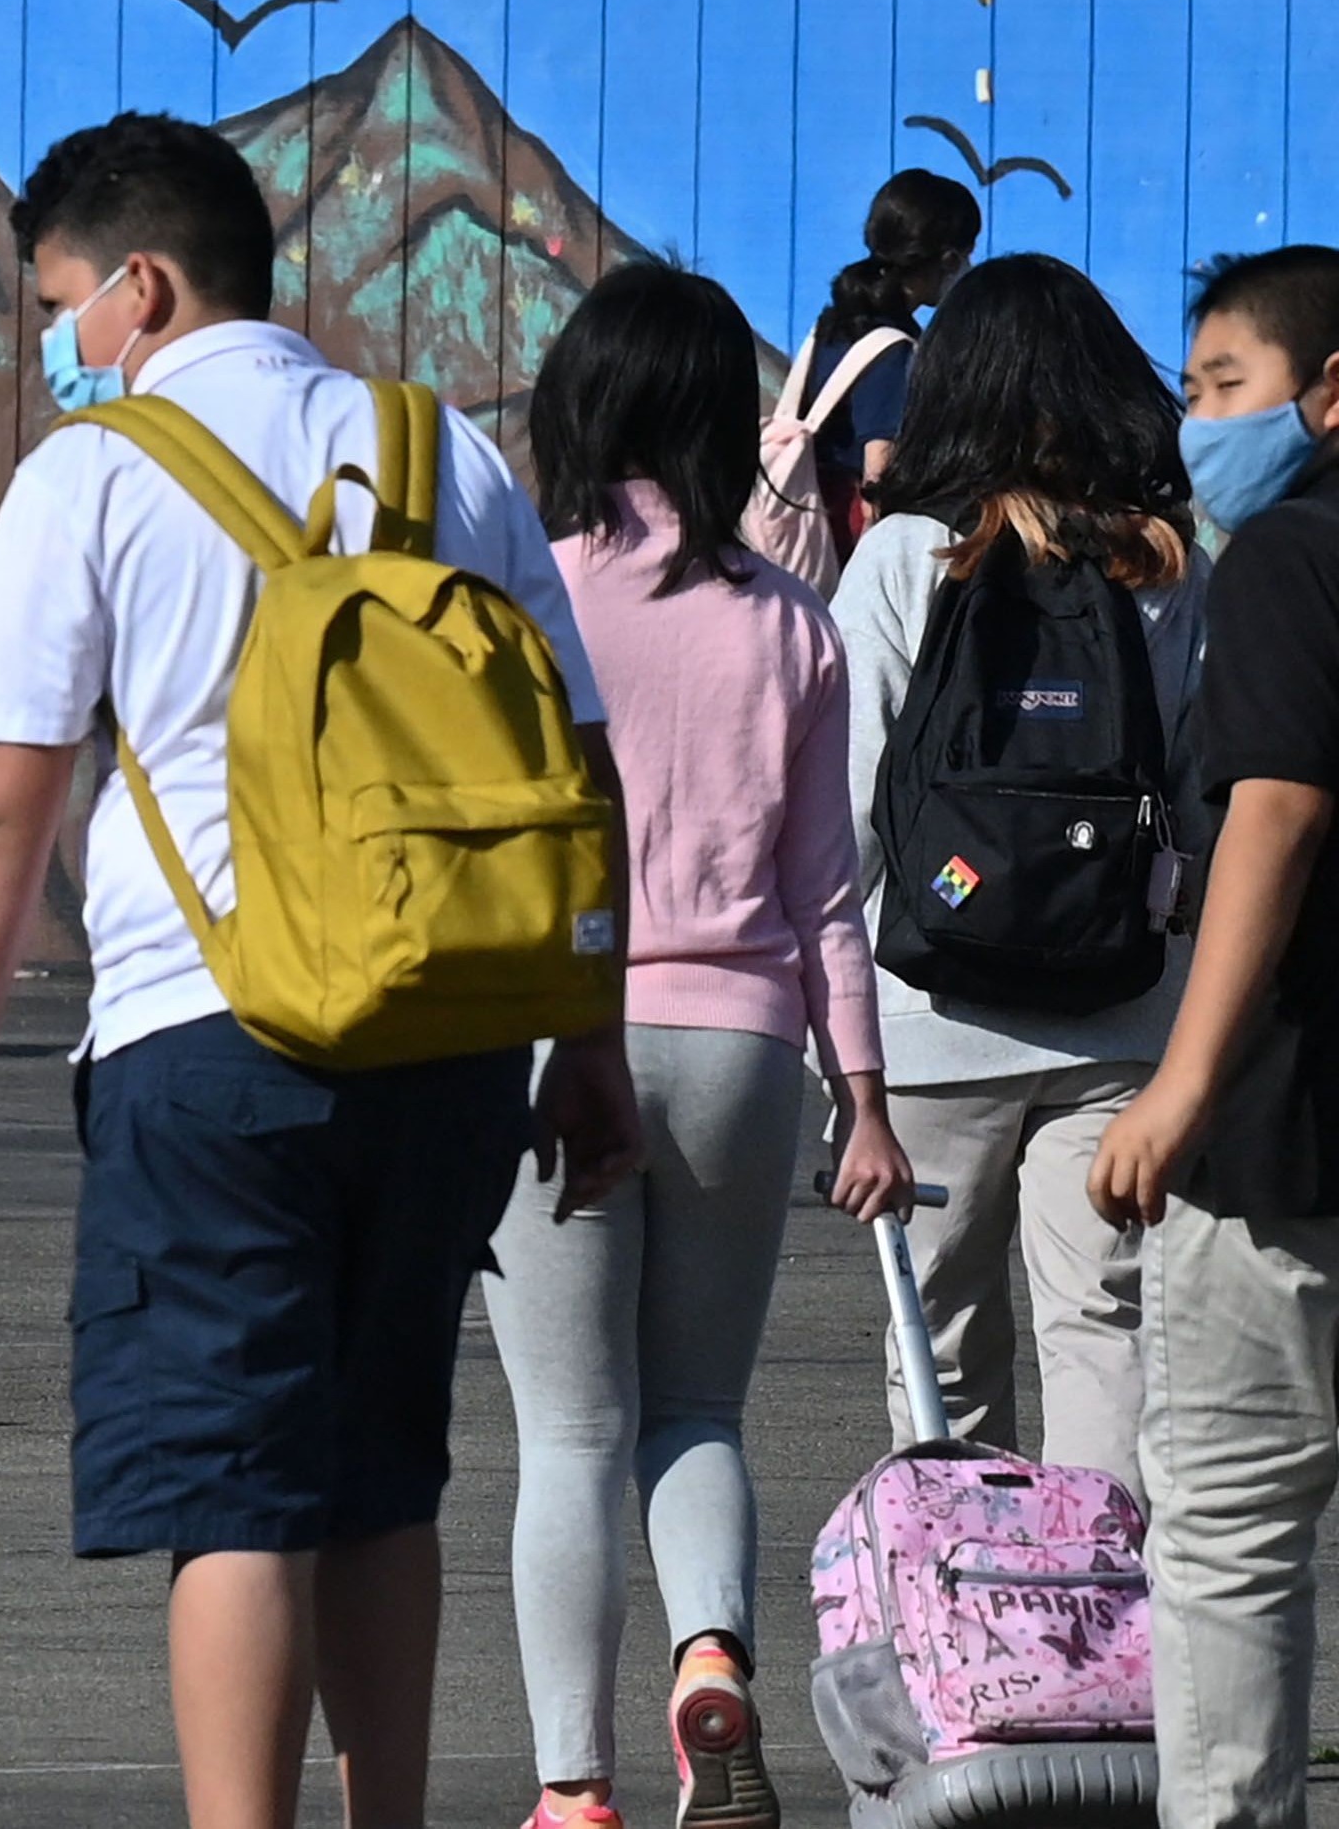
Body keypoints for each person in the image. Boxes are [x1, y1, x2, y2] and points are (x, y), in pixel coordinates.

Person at [0, 111, 641, 1829]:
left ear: (139, 287)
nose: (62, 344)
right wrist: (582, 1044)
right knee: (384, 1482)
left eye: (64, 304)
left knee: (236, 1496)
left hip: (202, 1047)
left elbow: (7, 814)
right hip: (452, 1037)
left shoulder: (88, 475)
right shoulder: (441, 451)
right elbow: (578, 774)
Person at [489, 262, 915, 1829]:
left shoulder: (527, 599)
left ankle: (570, 1787)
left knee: (568, 1431)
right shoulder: (791, 624)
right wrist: (862, 1098)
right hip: (745, 1045)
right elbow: (829, 891)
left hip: (555, 1044)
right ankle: (709, 1652)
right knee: (694, 1411)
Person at [834, 253, 1202, 1489]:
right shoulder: (1161, 566)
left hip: (933, 1014)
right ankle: (1100, 1615)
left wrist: (836, 1042)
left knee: (938, 1340)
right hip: (1118, 1010)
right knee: (1102, 1328)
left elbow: (851, 808)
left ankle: (970, 1635)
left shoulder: (904, 559)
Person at [1086, 245, 1339, 1829]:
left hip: (1283, 1132)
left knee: (1230, 1545)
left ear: (1337, 390)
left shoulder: (1288, 557)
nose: (1196, 425)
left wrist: (1178, 1087)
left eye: (1222, 387)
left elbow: (1277, 807)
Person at [798, 168, 980, 544]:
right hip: (845, 538)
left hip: (805, 514)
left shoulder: (834, 323)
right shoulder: (891, 348)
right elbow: (879, 471)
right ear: (948, 259)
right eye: (967, 254)